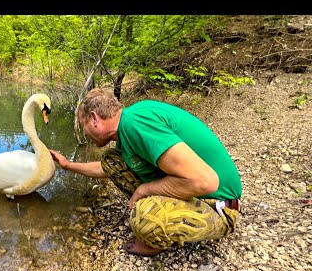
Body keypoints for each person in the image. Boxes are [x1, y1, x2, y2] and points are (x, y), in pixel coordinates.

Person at [49, 88, 242, 257]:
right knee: (111, 159)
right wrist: (67, 165)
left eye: (84, 127)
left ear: (94, 118)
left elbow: (205, 182)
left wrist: (144, 190)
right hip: (200, 196)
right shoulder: (129, 125)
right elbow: (105, 168)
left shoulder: (136, 124)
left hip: (220, 208)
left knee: (144, 219)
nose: (86, 134)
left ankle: (153, 243)